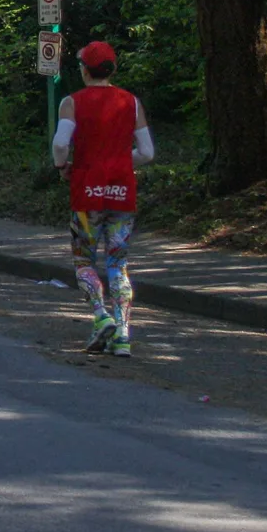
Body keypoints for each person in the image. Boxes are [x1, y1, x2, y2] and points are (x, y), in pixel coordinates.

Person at [54, 40, 155, 358]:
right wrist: (125, 161)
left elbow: (60, 144)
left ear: (85, 69)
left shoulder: (72, 102)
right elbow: (148, 152)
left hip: (87, 192)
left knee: (84, 260)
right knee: (118, 262)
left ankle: (101, 316)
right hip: (122, 192)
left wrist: (63, 166)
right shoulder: (131, 102)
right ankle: (123, 335)